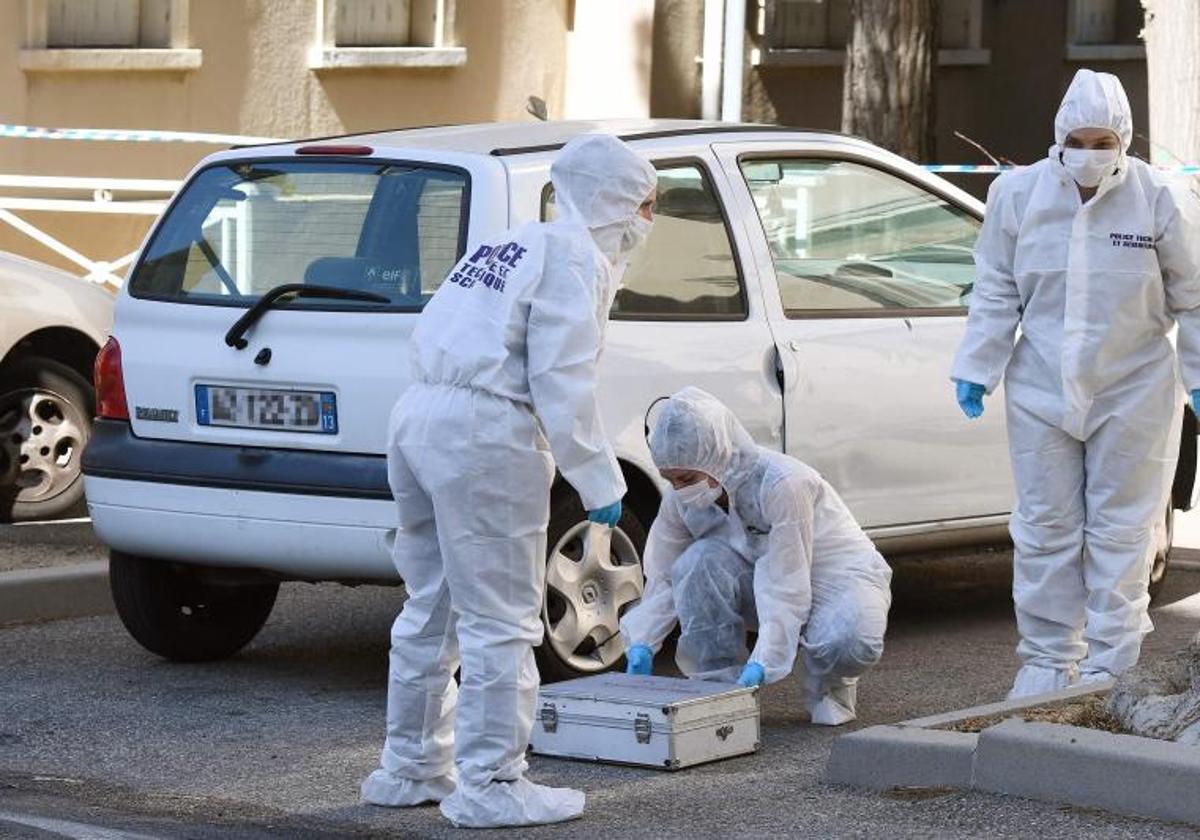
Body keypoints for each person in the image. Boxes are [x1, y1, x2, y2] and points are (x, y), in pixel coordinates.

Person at [360, 133, 657, 828]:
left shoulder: (512, 242)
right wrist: (596, 475)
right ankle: (492, 782)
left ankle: (410, 768)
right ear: (618, 200)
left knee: (430, 607)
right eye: (645, 205)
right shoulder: (576, 257)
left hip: (419, 418)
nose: (647, 221)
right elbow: (561, 377)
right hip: (484, 433)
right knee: (500, 621)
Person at [951, 69, 1200, 698]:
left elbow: (1194, 298)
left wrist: (1198, 375)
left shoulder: (1160, 198)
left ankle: (1111, 663)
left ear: (1124, 140)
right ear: (1059, 136)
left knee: (1122, 528)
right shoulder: (1018, 195)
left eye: (1103, 142)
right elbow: (996, 287)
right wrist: (977, 366)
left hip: (1135, 387)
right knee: (1043, 527)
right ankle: (1045, 661)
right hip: (1039, 384)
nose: (1090, 154)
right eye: (1079, 140)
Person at [619, 387, 892, 726]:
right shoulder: (681, 499)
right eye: (670, 479)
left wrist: (765, 660)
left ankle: (829, 686)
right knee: (695, 563)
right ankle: (717, 696)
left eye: (686, 478)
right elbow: (663, 573)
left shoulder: (782, 484)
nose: (679, 489)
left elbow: (786, 581)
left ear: (715, 454)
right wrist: (642, 640)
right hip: (767, 574)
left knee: (850, 641)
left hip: (835, 578)